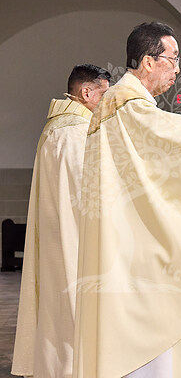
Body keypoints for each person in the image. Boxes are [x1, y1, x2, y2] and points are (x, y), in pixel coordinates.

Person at [72, 22, 181, 378]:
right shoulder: (129, 106)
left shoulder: (119, 105)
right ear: (148, 61)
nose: (178, 69)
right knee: (146, 344)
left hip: (125, 241)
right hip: (138, 252)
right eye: (173, 58)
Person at [11, 65, 111, 378]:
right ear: (86, 92)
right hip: (74, 241)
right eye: (104, 95)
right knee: (72, 320)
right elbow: (85, 197)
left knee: (59, 316)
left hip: (60, 238)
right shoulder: (73, 133)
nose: (108, 103)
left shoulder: (59, 127)